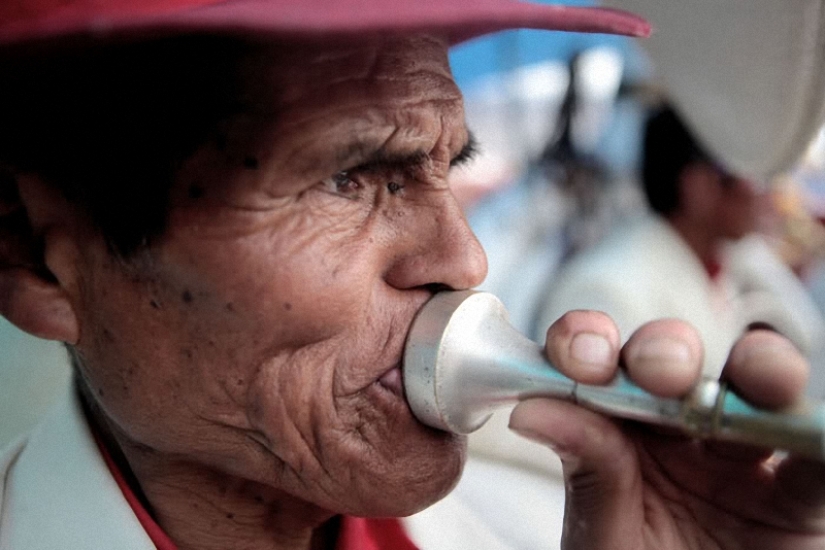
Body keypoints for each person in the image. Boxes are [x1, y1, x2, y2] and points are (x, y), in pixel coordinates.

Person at [0, 3, 822, 550]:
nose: (464, 261)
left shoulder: (541, 528)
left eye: (448, 167)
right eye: (345, 179)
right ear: (36, 260)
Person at [535, 104, 825, 378]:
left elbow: (808, 337)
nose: (771, 193)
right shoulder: (608, 287)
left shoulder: (721, 256)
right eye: (756, 175)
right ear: (699, 186)